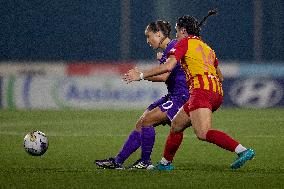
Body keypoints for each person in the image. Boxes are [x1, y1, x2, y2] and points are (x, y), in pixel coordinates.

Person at [123, 9, 255, 170]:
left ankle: (242, 150)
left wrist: (141, 74)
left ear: (183, 30)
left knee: (203, 133)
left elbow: (168, 67)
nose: (176, 35)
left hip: (201, 92)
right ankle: (165, 164)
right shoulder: (208, 48)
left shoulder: (184, 43)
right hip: (216, 92)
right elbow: (220, 77)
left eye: (177, 31)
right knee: (177, 126)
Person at [95, 20, 189, 169]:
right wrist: (142, 74)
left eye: (148, 36)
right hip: (173, 95)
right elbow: (166, 74)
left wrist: (140, 75)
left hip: (182, 97)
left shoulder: (173, 47)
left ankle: (145, 162)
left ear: (158, 34)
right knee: (141, 122)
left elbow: (164, 76)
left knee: (148, 121)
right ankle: (118, 161)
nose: (147, 41)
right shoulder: (168, 50)